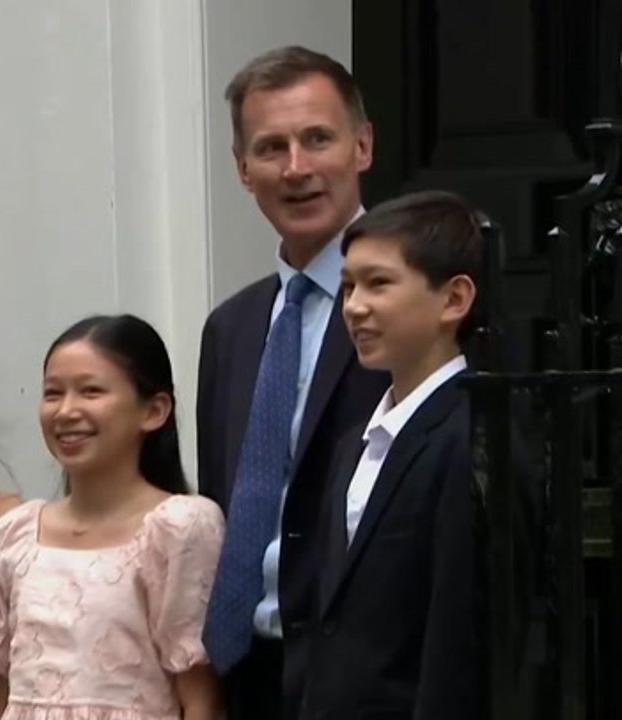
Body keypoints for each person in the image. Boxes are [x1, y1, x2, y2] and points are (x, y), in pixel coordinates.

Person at [196, 46, 390, 719]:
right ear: (243, 169)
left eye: (317, 139)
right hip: (247, 671)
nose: (297, 167)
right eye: (271, 147)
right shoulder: (230, 328)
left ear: (362, 146)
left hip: (370, 677)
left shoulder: (414, 303)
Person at [0, 314, 225, 720]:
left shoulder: (180, 527)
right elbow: (3, 690)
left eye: (91, 391)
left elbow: (200, 697)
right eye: (53, 393)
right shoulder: (16, 532)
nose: (66, 411)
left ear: (154, 411)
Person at [304, 189, 488, 717]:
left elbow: (460, 636)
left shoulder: (469, 436)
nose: (354, 307)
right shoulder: (355, 444)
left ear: (453, 300)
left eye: (379, 284)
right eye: (348, 287)